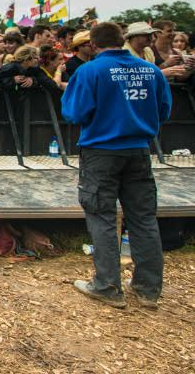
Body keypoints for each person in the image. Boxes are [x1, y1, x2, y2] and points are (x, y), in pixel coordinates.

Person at [61, 22, 171, 309]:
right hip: (139, 150)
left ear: (93, 45)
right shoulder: (151, 71)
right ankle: (148, 289)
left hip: (101, 151)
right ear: (123, 40)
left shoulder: (90, 71)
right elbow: (164, 110)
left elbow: (73, 112)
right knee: (144, 219)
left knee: (102, 217)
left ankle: (107, 285)